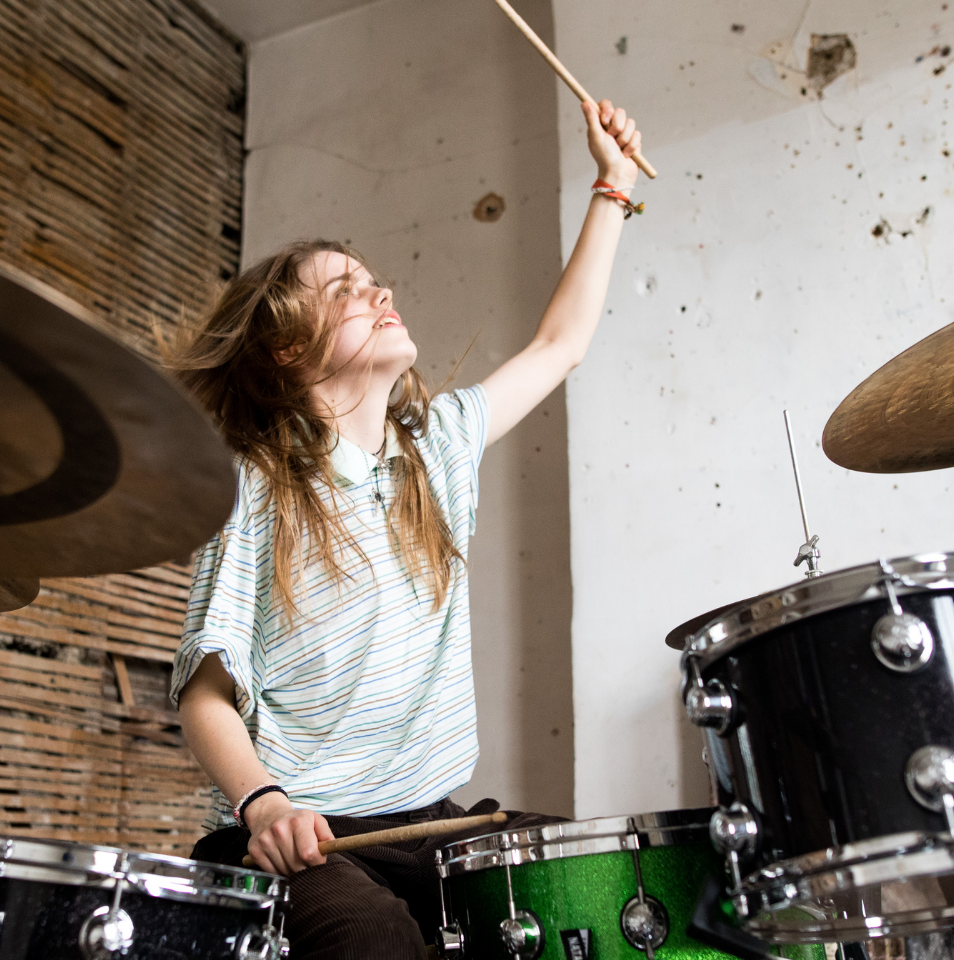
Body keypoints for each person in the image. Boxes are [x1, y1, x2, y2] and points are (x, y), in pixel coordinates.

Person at [163, 98, 645, 960]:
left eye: (372, 278)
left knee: (602, 884)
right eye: (344, 290)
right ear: (284, 348)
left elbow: (561, 343)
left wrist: (611, 184)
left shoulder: (440, 449)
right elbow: (205, 694)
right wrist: (263, 805)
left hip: (424, 823)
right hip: (297, 832)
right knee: (373, 939)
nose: (378, 290)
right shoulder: (257, 487)